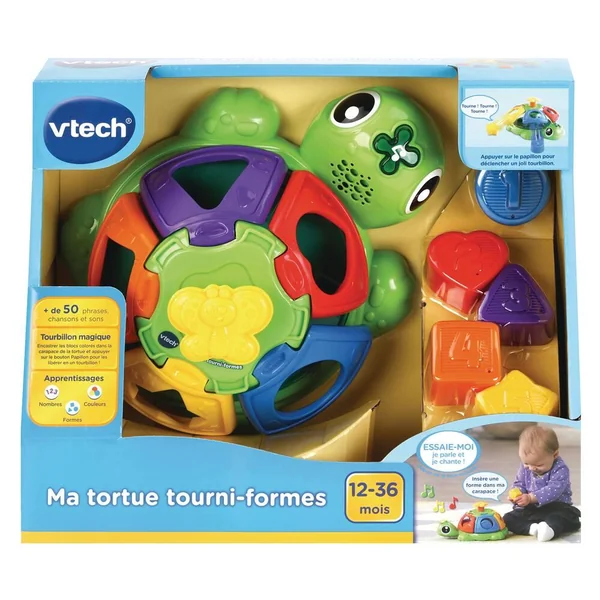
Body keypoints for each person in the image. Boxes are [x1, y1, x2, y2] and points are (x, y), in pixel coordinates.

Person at [503, 425, 580, 542]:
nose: (532, 468)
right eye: (526, 463)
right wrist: (518, 495)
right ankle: (532, 529)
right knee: (507, 519)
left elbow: (553, 490)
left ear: (554, 455)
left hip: (557, 507)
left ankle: (549, 531)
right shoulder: (527, 466)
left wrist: (530, 498)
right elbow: (520, 483)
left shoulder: (560, 469)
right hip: (532, 509)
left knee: (558, 519)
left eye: (538, 465)